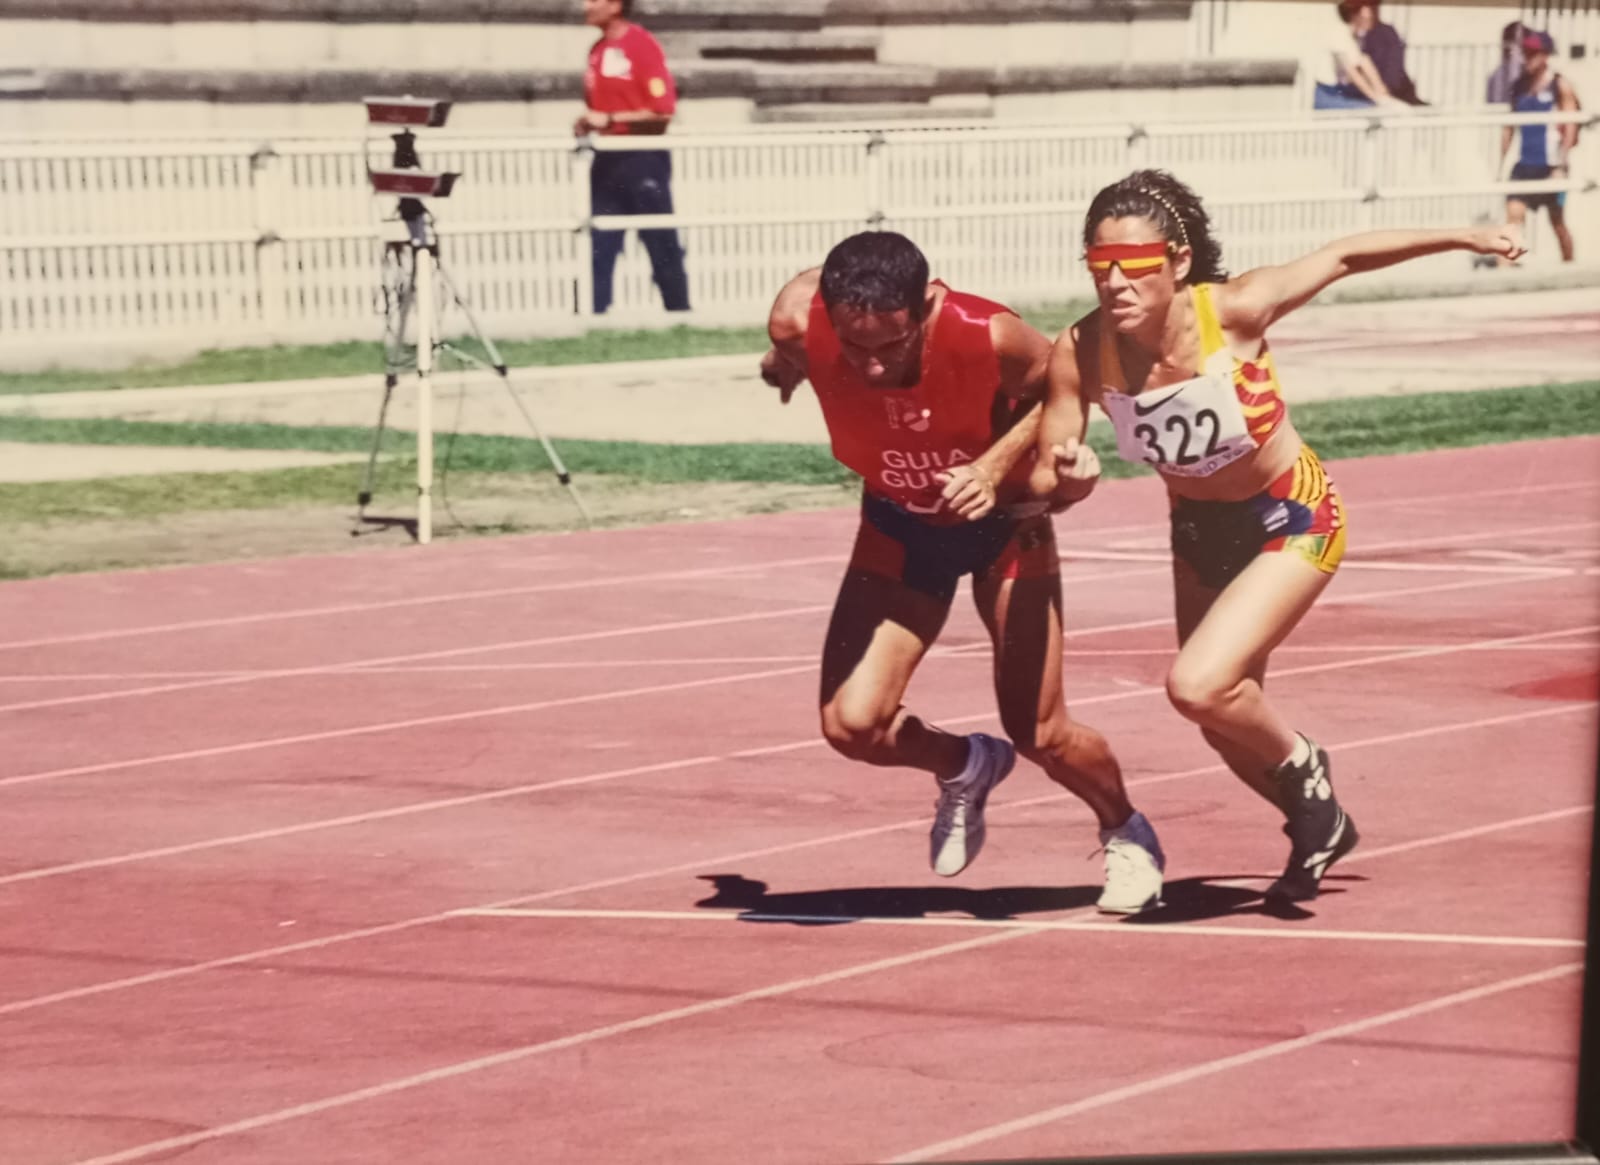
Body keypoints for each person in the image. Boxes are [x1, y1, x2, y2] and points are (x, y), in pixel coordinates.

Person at [1032, 170, 1523, 903]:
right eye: (1099, 268)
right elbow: (1052, 472)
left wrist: (1466, 235)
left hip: (1292, 514)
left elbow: (1345, 256)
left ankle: (1306, 769)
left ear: (1177, 263)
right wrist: (1072, 472)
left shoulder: (1235, 309)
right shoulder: (1082, 349)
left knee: (1197, 685)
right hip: (1199, 531)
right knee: (1221, 719)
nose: (1115, 285)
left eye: (1134, 268)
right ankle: (1317, 820)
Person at [759, 230, 1165, 913]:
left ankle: (1127, 829)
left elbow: (1063, 388)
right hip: (899, 525)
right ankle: (965, 764)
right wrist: (788, 362)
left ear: (929, 306)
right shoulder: (801, 319)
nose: (875, 367)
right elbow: (800, 322)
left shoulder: (989, 334)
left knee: (1041, 733)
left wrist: (990, 466)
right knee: (851, 725)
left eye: (892, 346)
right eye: (855, 349)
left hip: (1005, 527)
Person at [575, 0, 691, 314]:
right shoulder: (597, 50)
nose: (585, 5)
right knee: (598, 241)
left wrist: (612, 119)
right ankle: (592, 317)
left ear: (615, 5)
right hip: (607, 160)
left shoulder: (641, 45)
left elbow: (662, 111)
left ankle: (679, 313)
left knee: (660, 241)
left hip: (642, 159)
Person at [1500, 30, 1581, 263]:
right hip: (1524, 165)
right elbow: (1509, 126)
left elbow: (1570, 125)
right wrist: (1501, 163)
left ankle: (1570, 268)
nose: (1527, 58)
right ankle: (1502, 273)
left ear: (1545, 55)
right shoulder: (1519, 86)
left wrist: (1562, 164)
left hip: (1551, 165)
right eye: (1525, 52)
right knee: (1512, 220)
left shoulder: (1559, 85)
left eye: (1533, 53)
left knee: (1557, 223)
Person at [1309, 1, 1407, 111]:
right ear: (1355, 13)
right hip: (1328, 95)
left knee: (1395, 108)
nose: (1372, 14)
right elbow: (1352, 73)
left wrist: (1382, 91)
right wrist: (1376, 98)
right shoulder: (1339, 33)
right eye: (1368, 10)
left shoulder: (1356, 36)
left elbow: (1365, 62)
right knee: (1373, 111)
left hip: (1341, 92)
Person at [1343, 1, 1425, 105]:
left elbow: (1393, 69)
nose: (1370, 12)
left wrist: (1383, 91)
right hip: (1368, 91)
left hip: (1392, 90)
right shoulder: (1350, 34)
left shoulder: (1386, 32)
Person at [1486, 21, 1526, 105]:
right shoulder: (1495, 76)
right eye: (1507, 40)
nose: (1510, 46)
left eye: (1515, 41)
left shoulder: (1529, 73)